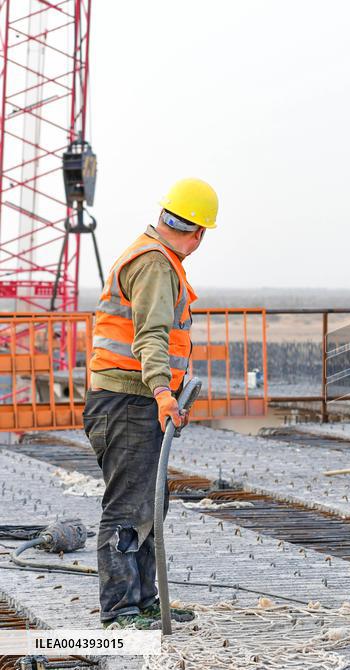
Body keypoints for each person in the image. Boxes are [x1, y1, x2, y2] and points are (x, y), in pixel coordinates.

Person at [84, 178, 217, 629]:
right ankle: (120, 612)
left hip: (131, 400)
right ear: (198, 232)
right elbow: (151, 337)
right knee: (127, 508)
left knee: (148, 505)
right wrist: (163, 392)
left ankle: (142, 603)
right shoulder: (156, 264)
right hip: (127, 402)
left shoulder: (153, 257)